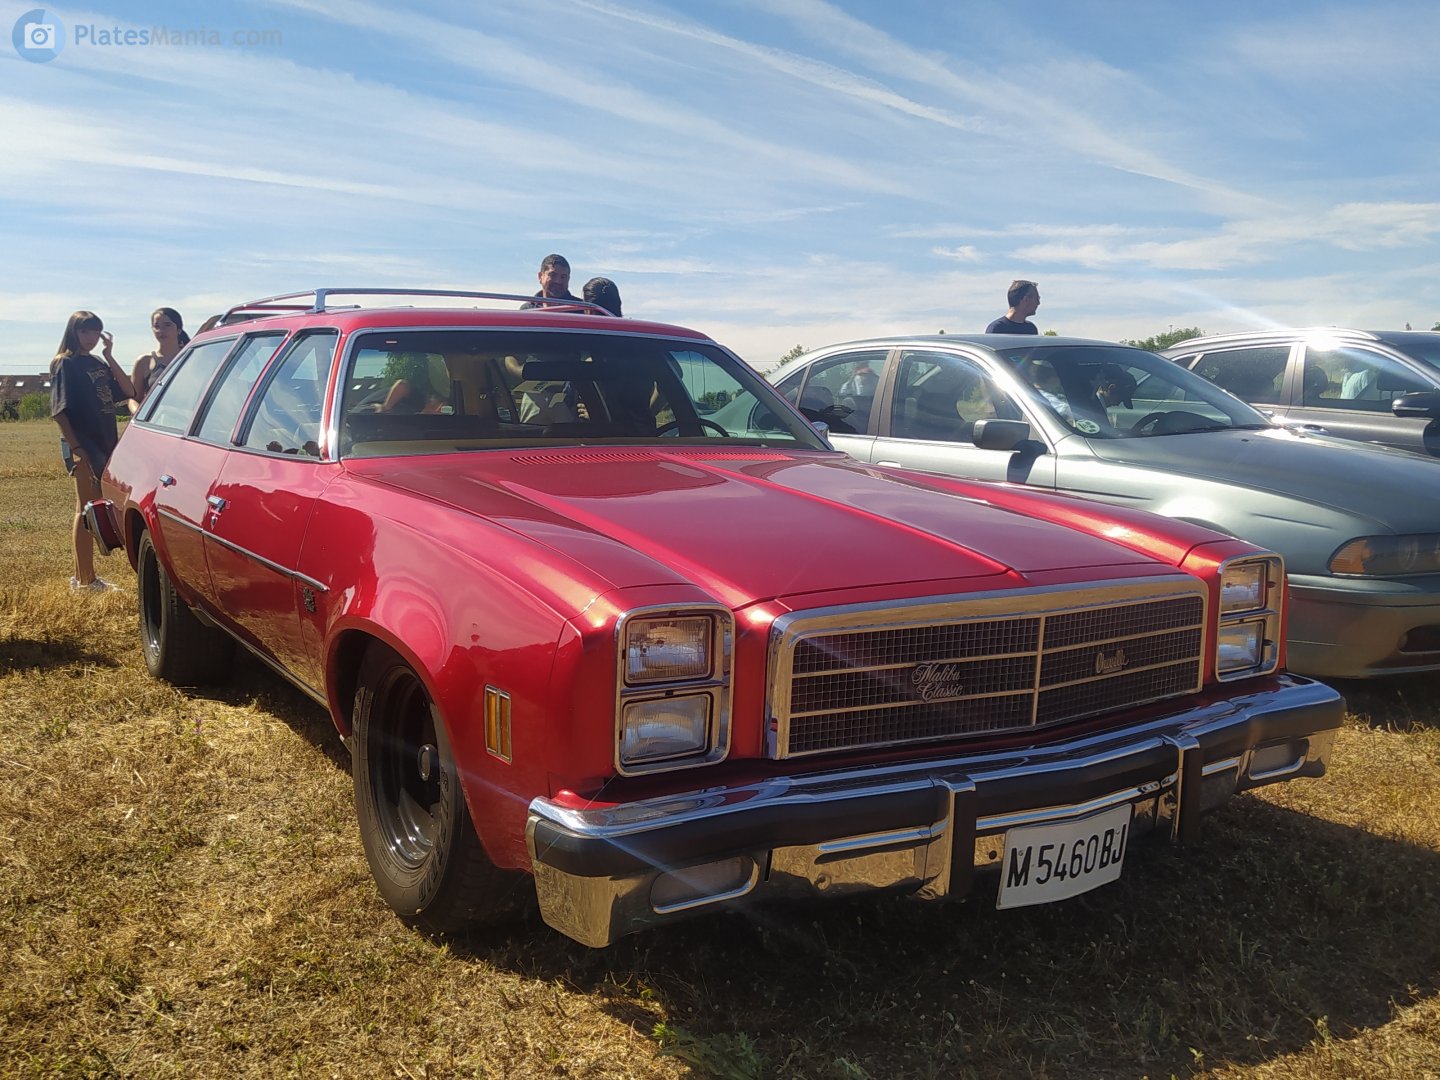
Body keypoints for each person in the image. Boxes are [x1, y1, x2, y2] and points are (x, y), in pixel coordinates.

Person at [50, 310, 135, 592]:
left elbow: (128, 390)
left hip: (104, 440)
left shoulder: (96, 361)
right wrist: (76, 448)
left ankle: (82, 578)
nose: (91, 338)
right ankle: (85, 579)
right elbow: (60, 412)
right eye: (85, 331)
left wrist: (110, 355)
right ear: (73, 332)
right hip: (83, 443)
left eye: (96, 332)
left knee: (90, 508)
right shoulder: (66, 364)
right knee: (85, 508)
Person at [130, 307, 190, 403]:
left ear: (179, 329)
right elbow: (134, 399)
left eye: (167, 325)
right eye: (157, 326)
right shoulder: (144, 361)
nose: (162, 330)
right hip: (156, 417)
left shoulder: (191, 357)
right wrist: (139, 415)